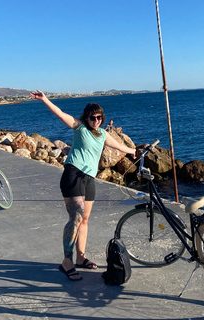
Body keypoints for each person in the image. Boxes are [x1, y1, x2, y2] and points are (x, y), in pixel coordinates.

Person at [30, 90, 136, 281]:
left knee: (85, 219)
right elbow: (61, 114)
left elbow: (118, 146)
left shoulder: (102, 133)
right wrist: (45, 99)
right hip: (73, 174)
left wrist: (133, 151)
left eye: (99, 117)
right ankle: (67, 261)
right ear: (86, 118)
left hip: (89, 179)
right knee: (75, 217)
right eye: (93, 117)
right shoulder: (80, 128)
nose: (96, 120)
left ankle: (80, 257)